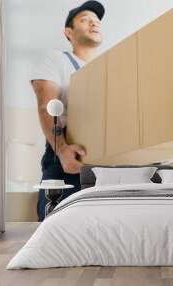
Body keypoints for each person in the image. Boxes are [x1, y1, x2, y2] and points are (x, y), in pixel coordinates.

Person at [30, 1, 105, 221]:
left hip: (104, 157)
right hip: (66, 154)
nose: (93, 23)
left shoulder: (106, 69)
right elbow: (47, 107)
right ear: (68, 32)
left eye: (96, 20)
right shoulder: (56, 59)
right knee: (57, 222)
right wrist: (61, 149)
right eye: (85, 20)